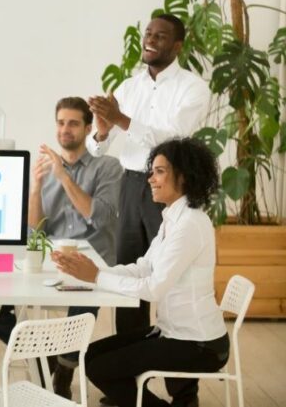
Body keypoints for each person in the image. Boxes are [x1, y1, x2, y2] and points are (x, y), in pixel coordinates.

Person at [53, 138, 229, 407]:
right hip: (172, 332)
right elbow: (144, 267)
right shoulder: (173, 217)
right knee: (90, 358)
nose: (150, 179)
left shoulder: (190, 225)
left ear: (183, 176)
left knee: (98, 367)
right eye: (152, 171)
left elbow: (153, 288)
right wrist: (95, 271)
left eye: (160, 171)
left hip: (198, 343)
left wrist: (97, 277)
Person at [0, 96, 121, 399]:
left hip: (91, 261)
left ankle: (63, 369)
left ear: (88, 128)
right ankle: (43, 356)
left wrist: (64, 177)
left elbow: (99, 216)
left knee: (84, 300)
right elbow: (33, 232)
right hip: (49, 263)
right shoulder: (45, 169)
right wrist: (35, 190)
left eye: (74, 123)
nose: (65, 129)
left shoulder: (108, 167)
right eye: (61, 122)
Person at [86, 14, 211, 337]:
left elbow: (174, 140)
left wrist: (122, 120)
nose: (151, 40)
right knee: (131, 267)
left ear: (178, 45)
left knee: (170, 277)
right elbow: (100, 148)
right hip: (130, 185)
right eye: (149, 33)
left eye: (161, 36)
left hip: (170, 185)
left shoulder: (193, 88)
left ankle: (182, 375)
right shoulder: (128, 87)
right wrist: (102, 131)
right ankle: (128, 364)